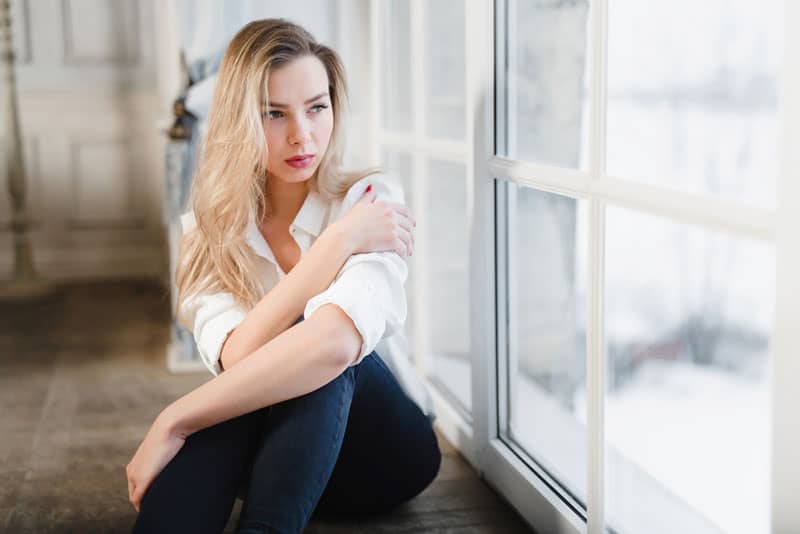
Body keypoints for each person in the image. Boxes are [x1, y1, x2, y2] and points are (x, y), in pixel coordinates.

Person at [126, 18, 441, 534]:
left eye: (317, 107)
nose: (302, 135)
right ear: (240, 121)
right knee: (250, 386)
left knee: (320, 347)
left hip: (385, 454)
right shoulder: (207, 234)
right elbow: (240, 359)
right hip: (274, 458)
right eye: (274, 114)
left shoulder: (369, 201)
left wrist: (174, 418)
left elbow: (337, 344)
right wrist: (336, 248)